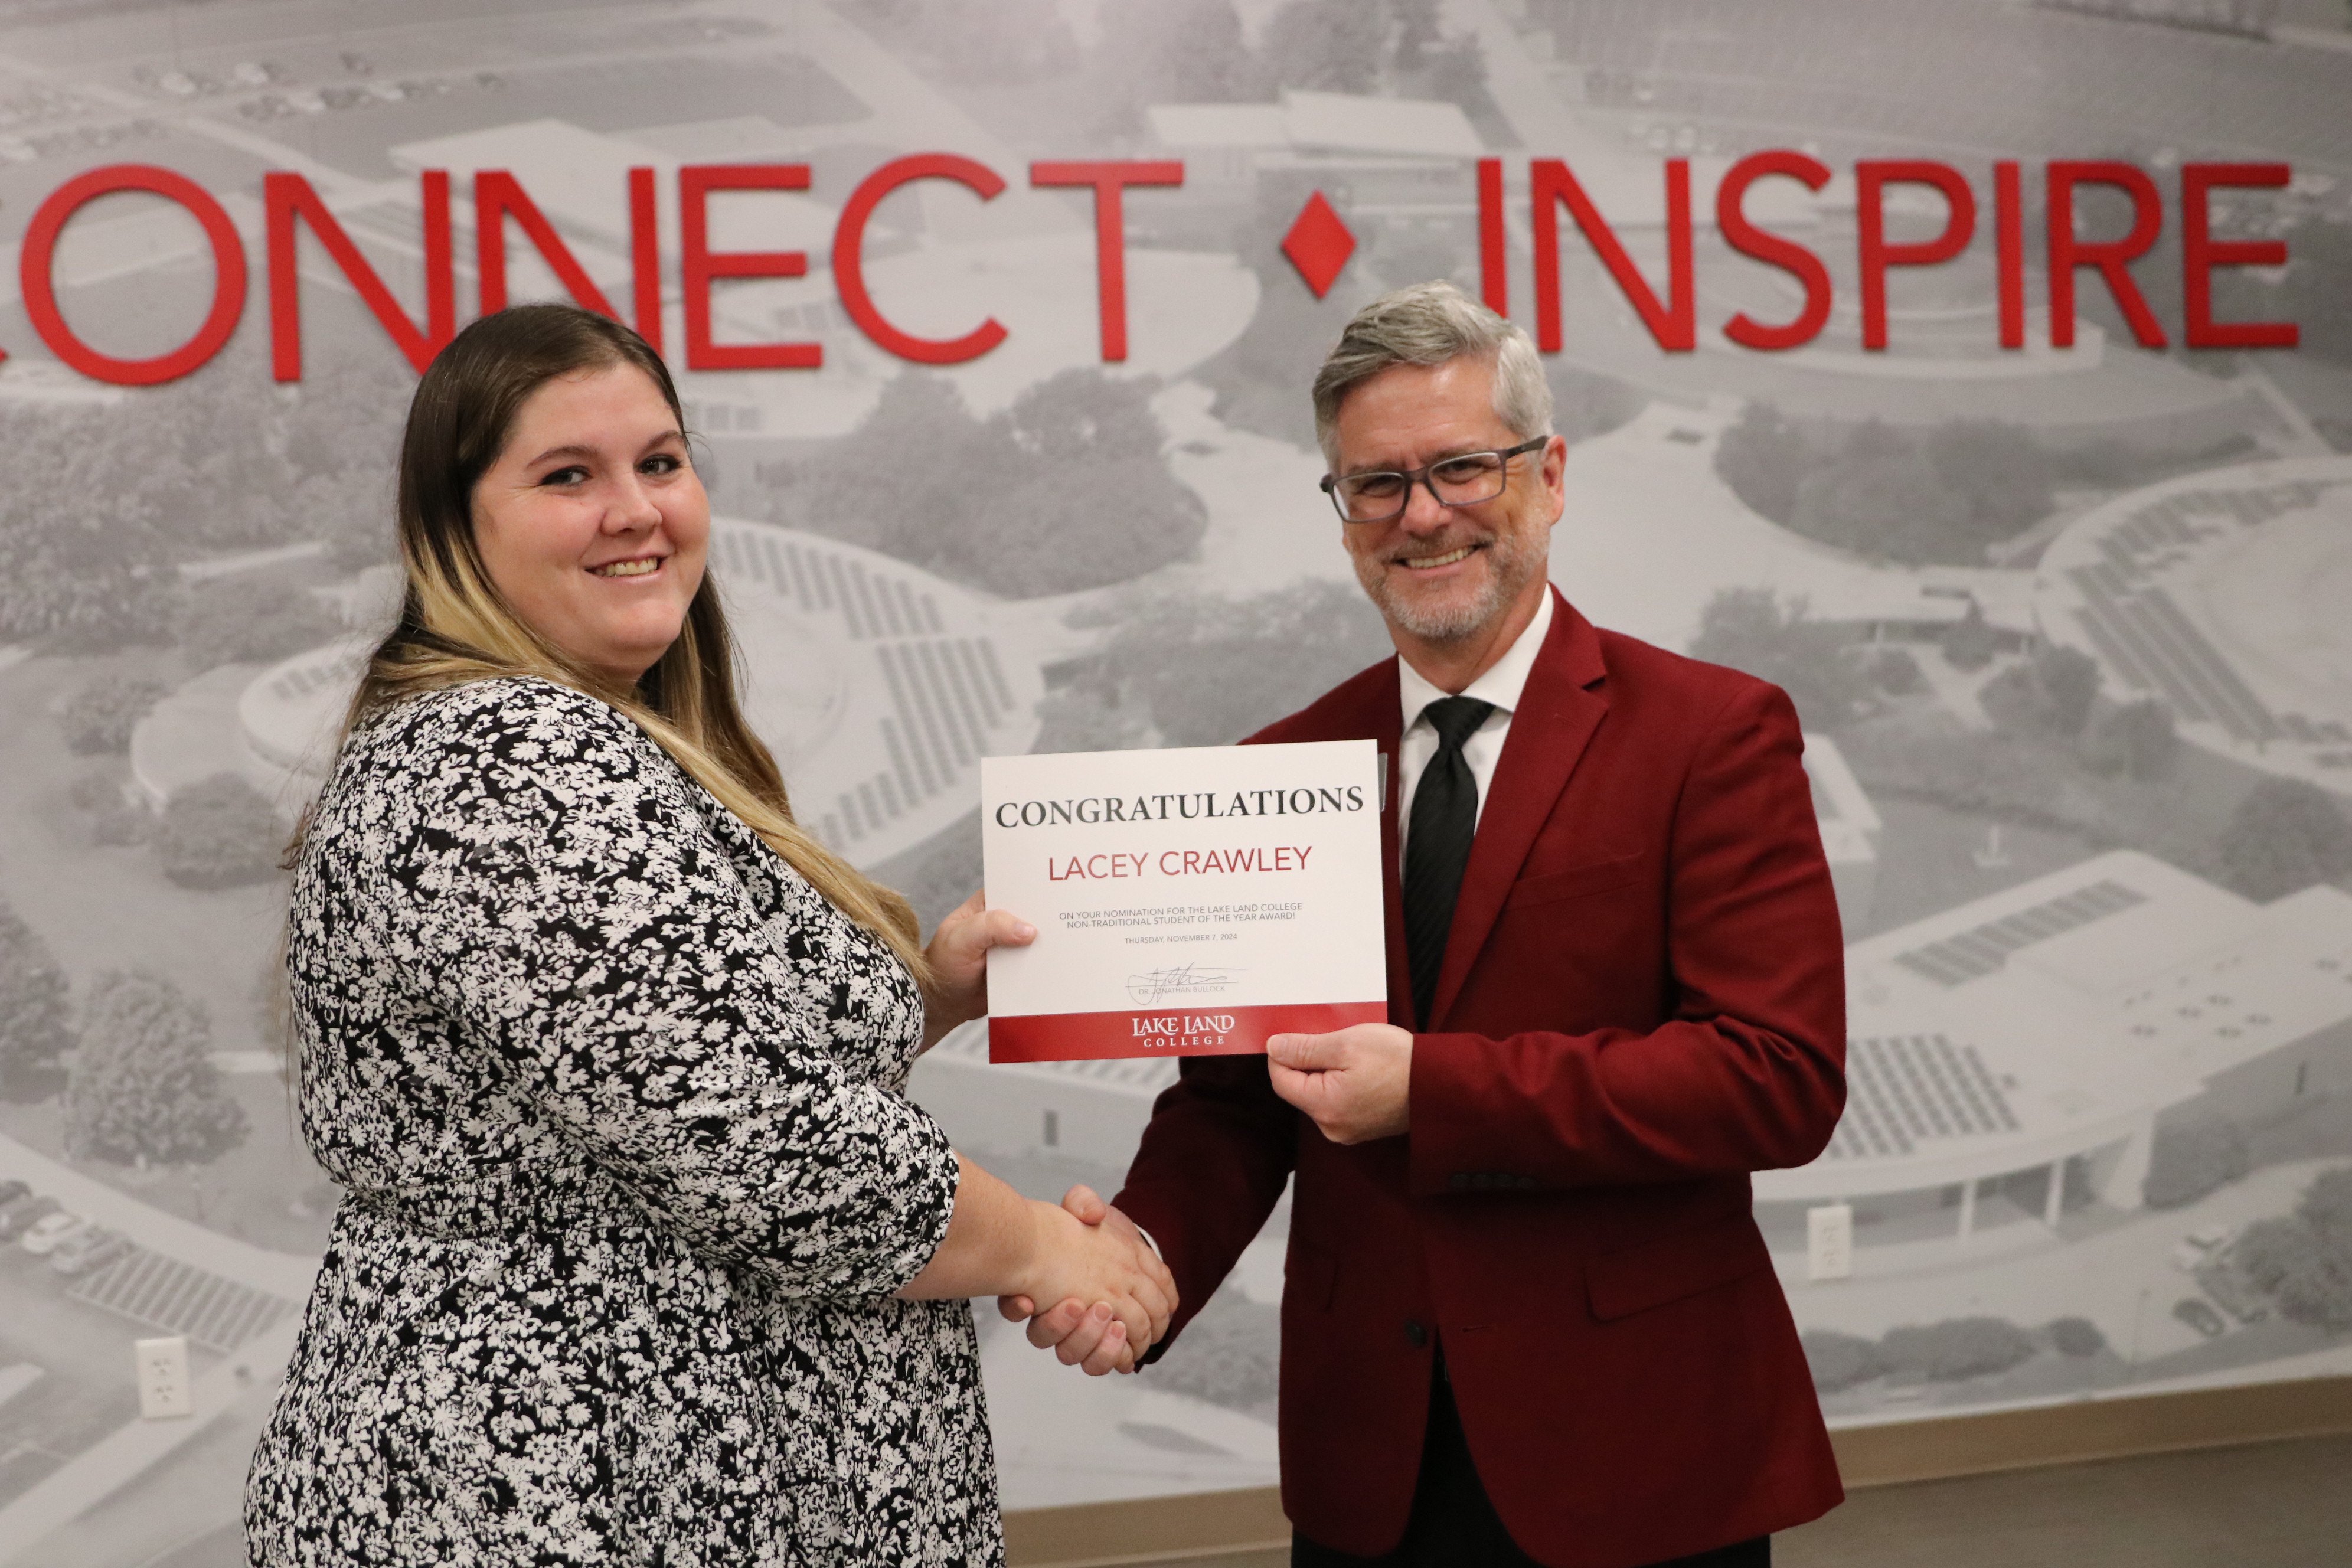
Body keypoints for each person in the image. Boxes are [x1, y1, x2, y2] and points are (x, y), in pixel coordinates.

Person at [244, 302, 1174, 1568]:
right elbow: (767, 1145)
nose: (636, 508)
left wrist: (927, 996)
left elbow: (669, 1061)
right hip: (564, 1485)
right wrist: (1054, 1247)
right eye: (569, 475)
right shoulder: (510, 762)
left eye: (661, 461)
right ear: (457, 525)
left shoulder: (594, 734)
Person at [1012, 282, 1848, 1567]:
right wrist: (1141, 1252)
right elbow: (1238, 1099)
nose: (1423, 515)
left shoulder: (1710, 734)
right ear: (1344, 514)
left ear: (1550, 473)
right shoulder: (1282, 765)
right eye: (1377, 484)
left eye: (1463, 466)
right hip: (1375, 1461)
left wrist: (1439, 1090)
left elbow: (1775, 1078)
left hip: (1638, 1448)